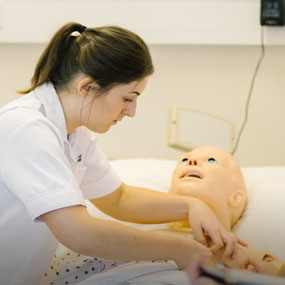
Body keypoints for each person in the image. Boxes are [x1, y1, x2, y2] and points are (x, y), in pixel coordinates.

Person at [0, 22, 241, 285]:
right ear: (87, 87)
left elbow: (118, 198)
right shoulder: (26, 127)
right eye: (128, 98)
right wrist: (179, 248)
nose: (131, 111)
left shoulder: (75, 133)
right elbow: (77, 232)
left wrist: (191, 206)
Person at [164, 146, 285, 282]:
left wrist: (270, 275)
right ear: (169, 193)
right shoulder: (145, 238)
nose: (191, 161)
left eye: (211, 160)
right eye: (184, 159)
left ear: (236, 197)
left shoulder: (254, 259)